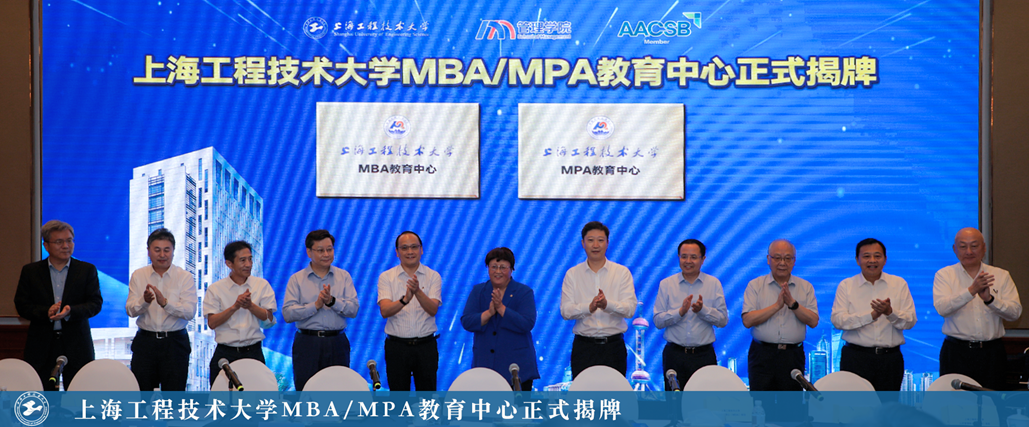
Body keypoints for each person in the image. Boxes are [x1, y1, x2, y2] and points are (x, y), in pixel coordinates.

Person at [14, 220, 103, 390]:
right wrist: (46, 312)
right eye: (59, 242)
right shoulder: (31, 271)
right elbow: (22, 305)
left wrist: (71, 311)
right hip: (41, 344)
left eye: (69, 240)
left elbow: (95, 303)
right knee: (43, 395)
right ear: (46, 245)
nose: (66, 246)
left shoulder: (86, 270)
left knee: (78, 396)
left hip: (77, 344)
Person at [934, 227, 1021, 391]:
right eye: (963, 246)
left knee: (993, 401)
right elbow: (942, 308)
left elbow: (1015, 313)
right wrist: (971, 291)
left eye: (974, 246)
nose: (969, 251)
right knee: (955, 403)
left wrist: (990, 300)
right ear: (954, 249)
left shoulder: (1001, 275)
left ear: (984, 248)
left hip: (992, 353)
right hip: (956, 352)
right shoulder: (944, 275)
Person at [830, 238, 916, 391]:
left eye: (877, 256)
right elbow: (838, 321)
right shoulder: (846, 285)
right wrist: (871, 316)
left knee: (888, 404)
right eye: (866, 256)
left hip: (890, 359)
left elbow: (910, 321)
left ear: (885, 259)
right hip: (855, 358)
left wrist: (890, 312)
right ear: (857, 260)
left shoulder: (899, 284)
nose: (872, 260)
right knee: (856, 404)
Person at [283, 229, 360, 391]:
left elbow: (353, 310)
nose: (326, 254)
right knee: (306, 392)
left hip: (337, 342)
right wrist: (316, 305)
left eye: (329, 249)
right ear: (309, 252)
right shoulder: (297, 279)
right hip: (307, 343)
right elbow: (288, 314)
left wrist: (332, 302)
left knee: (339, 391)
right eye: (320, 250)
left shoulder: (344, 276)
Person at [560, 221, 638, 378]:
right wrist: (588, 308)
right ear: (583, 243)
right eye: (590, 240)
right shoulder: (572, 274)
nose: (595, 245)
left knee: (614, 393)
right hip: (584, 347)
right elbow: (566, 311)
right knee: (583, 393)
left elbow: (630, 309)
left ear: (607, 243)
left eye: (600, 240)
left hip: (613, 347)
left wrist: (607, 305)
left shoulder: (621, 273)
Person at [125, 228, 198, 391]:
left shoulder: (184, 277)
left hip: (175, 344)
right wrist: (144, 302)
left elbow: (189, 312)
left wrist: (165, 303)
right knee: (142, 396)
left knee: (174, 398)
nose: (162, 255)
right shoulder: (138, 275)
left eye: (167, 250)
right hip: (145, 342)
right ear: (148, 251)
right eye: (157, 250)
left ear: (173, 251)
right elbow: (130, 310)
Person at [741, 239, 818, 391]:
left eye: (787, 258)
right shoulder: (755, 285)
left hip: (792, 355)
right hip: (762, 354)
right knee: (761, 402)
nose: (782, 263)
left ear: (794, 261)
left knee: (790, 403)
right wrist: (776, 306)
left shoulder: (805, 287)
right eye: (777, 258)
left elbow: (813, 321)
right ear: (768, 259)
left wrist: (793, 304)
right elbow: (747, 320)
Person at [460, 247, 539, 391]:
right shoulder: (479, 291)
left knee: (518, 405)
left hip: (517, 367)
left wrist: (502, 309)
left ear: (511, 269)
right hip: (485, 366)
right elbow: (466, 321)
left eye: (503, 267)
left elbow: (527, 323)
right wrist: (489, 313)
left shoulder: (524, 292)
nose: (498, 271)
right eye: (493, 267)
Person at [653, 239, 728, 390]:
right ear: (678, 257)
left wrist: (703, 311)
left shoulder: (713, 284)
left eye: (693, 257)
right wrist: (679, 312)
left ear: (703, 259)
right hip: (674, 354)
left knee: (704, 402)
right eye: (684, 256)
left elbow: (723, 320)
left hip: (703, 355)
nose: (688, 261)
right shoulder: (666, 284)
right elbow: (658, 321)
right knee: (674, 401)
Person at [203, 240, 277, 388]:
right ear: (229, 264)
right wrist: (235, 307)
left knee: (257, 397)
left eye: (250, 259)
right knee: (221, 398)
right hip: (226, 354)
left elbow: (269, 321)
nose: (248, 264)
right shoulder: (216, 289)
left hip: (254, 352)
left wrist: (251, 306)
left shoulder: (261, 285)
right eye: (242, 260)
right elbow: (212, 323)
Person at [377, 231, 442, 391]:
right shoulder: (386, 277)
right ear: (397, 252)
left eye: (414, 247)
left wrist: (418, 292)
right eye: (404, 248)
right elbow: (385, 311)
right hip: (397, 347)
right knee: (398, 398)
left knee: (427, 398)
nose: (410, 252)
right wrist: (405, 300)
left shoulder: (433, 276)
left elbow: (433, 309)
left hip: (426, 346)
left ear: (421, 249)